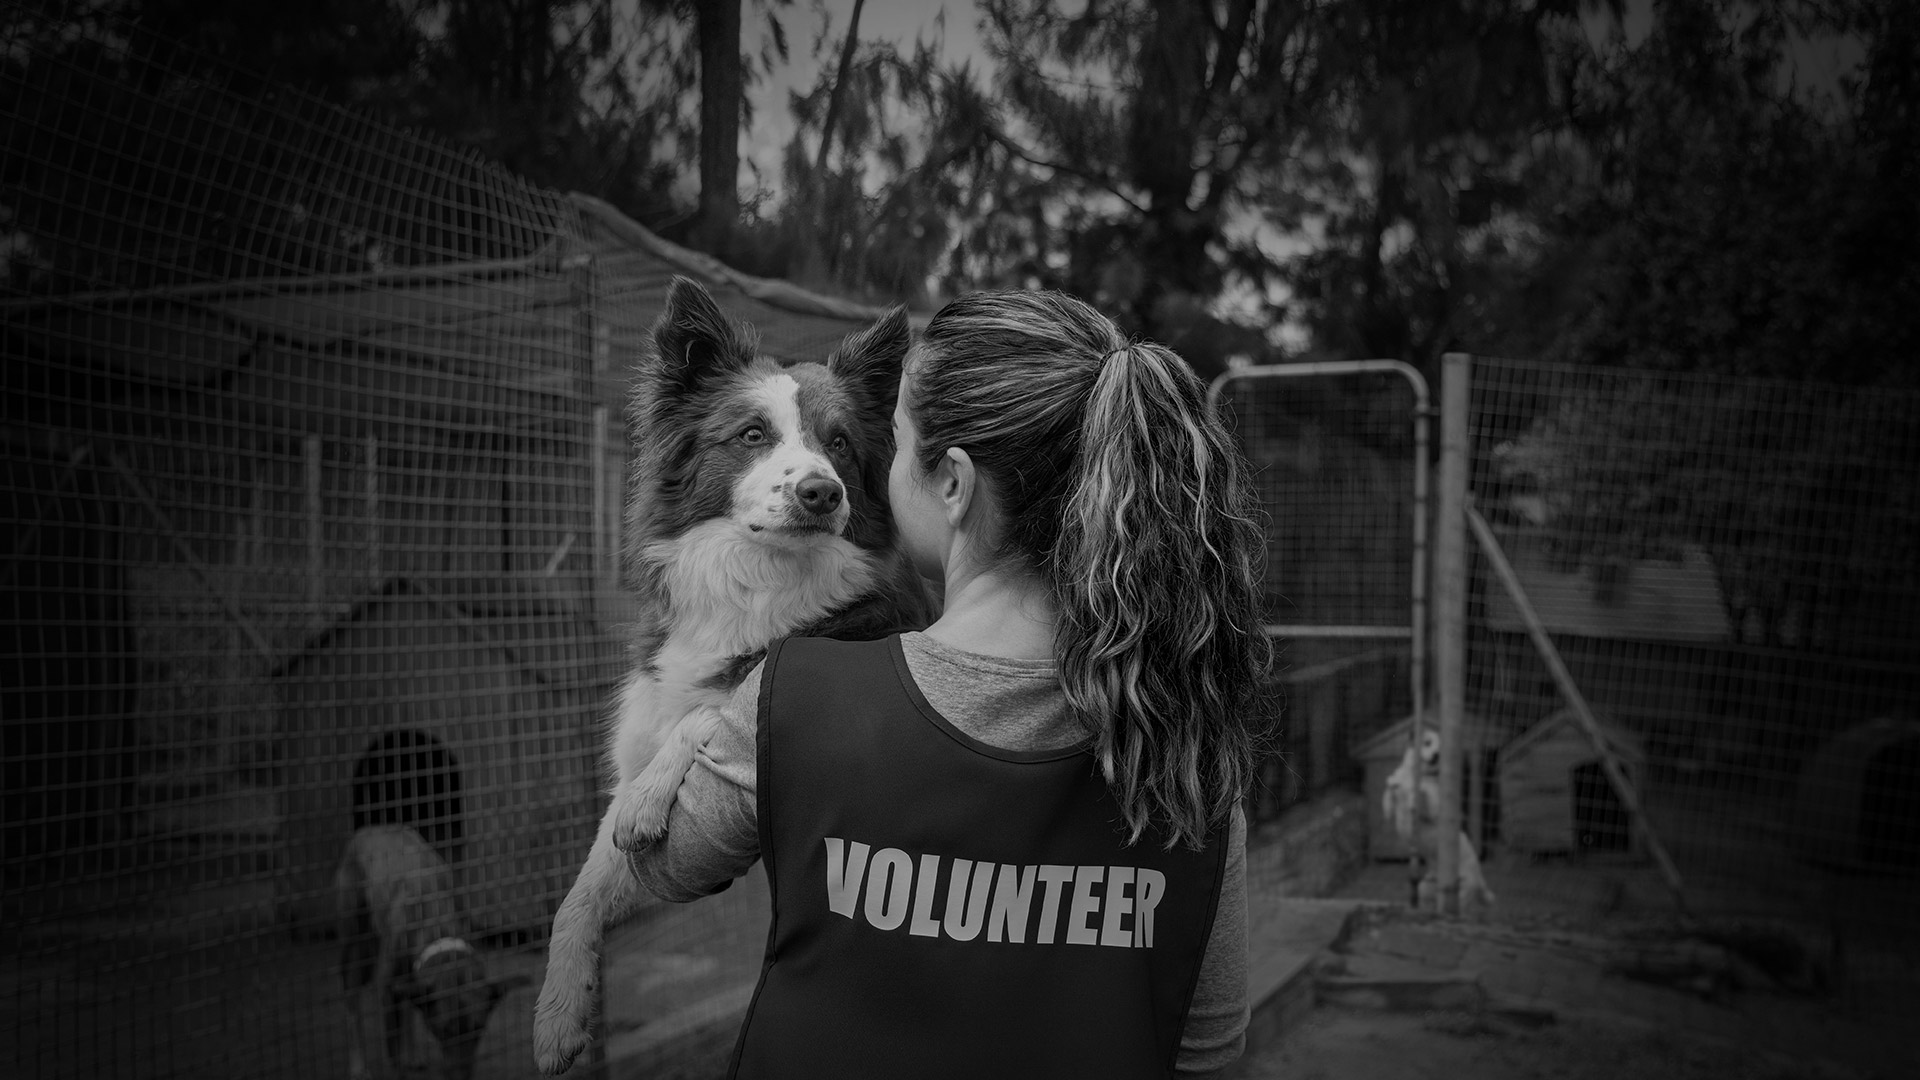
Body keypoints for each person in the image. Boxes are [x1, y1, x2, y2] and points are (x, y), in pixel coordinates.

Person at [628, 289, 1272, 1078]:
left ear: (954, 486)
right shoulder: (1185, 752)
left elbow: (662, 864)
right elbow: (1207, 1048)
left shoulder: (793, 699)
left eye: (891, 445)